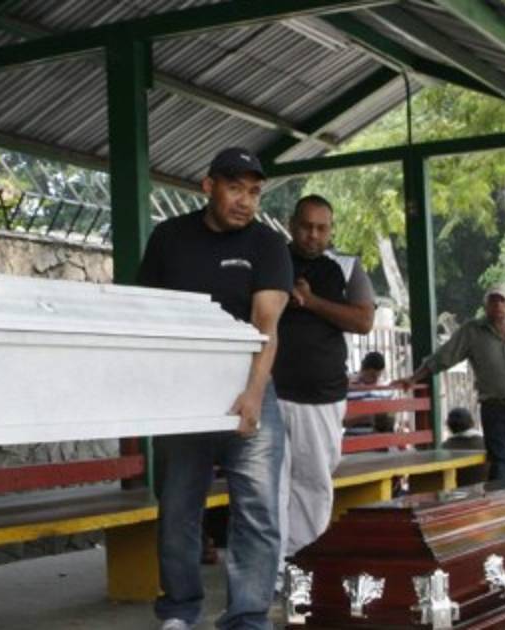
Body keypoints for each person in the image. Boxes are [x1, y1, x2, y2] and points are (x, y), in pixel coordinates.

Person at [138, 147, 291, 630]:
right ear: (208, 187)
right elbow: (146, 314)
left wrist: (253, 393)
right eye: (234, 188)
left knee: (258, 510)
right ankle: (179, 610)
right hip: (182, 393)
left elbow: (266, 326)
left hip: (250, 385)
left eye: (254, 192)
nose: (246, 201)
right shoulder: (168, 238)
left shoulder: (268, 244)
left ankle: (247, 616)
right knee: (178, 508)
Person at [271, 195, 374, 574]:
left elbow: (363, 320)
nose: (312, 235)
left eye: (321, 228)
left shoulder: (346, 267)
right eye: (305, 226)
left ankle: (304, 568)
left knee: (313, 483)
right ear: (291, 224)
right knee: (270, 485)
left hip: (321, 397)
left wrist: (312, 302)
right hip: (270, 391)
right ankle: (273, 570)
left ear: (331, 230)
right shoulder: (271, 259)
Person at [396, 285, 505, 480]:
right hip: (494, 407)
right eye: (493, 300)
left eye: (502, 300)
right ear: (485, 305)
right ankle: (499, 499)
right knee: (501, 462)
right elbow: (443, 357)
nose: (498, 305)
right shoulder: (473, 331)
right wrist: (413, 378)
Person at [439, 408, 487, 486]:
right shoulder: (487, 444)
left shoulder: (444, 448)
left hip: (457, 490)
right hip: (485, 489)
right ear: (472, 422)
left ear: (449, 426)